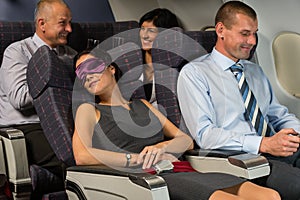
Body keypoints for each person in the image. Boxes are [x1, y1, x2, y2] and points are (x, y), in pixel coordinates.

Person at [72, 48, 280, 200]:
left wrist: (161, 147)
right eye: (81, 74)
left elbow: (186, 141)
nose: (87, 76)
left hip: (177, 167)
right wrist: (136, 159)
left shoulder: (142, 105)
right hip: (147, 180)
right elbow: (82, 156)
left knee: (269, 196)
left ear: (110, 68)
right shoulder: (89, 110)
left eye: (92, 67)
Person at [177, 1, 300, 199]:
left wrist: (296, 133)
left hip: (275, 149)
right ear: (220, 30)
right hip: (242, 160)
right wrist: (263, 144)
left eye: (255, 33)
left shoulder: (254, 71)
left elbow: (278, 115)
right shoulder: (195, 74)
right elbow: (205, 135)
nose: (252, 41)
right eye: (245, 33)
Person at [0, 0, 76, 198]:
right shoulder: (17, 52)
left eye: (70, 23)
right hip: (27, 128)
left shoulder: (71, 55)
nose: (69, 29)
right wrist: (55, 86)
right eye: (62, 23)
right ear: (42, 24)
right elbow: (19, 98)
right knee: (74, 156)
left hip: (67, 123)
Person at [136, 8, 182, 106]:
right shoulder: (132, 59)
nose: (144, 35)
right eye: (142, 29)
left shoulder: (175, 64)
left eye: (151, 31)